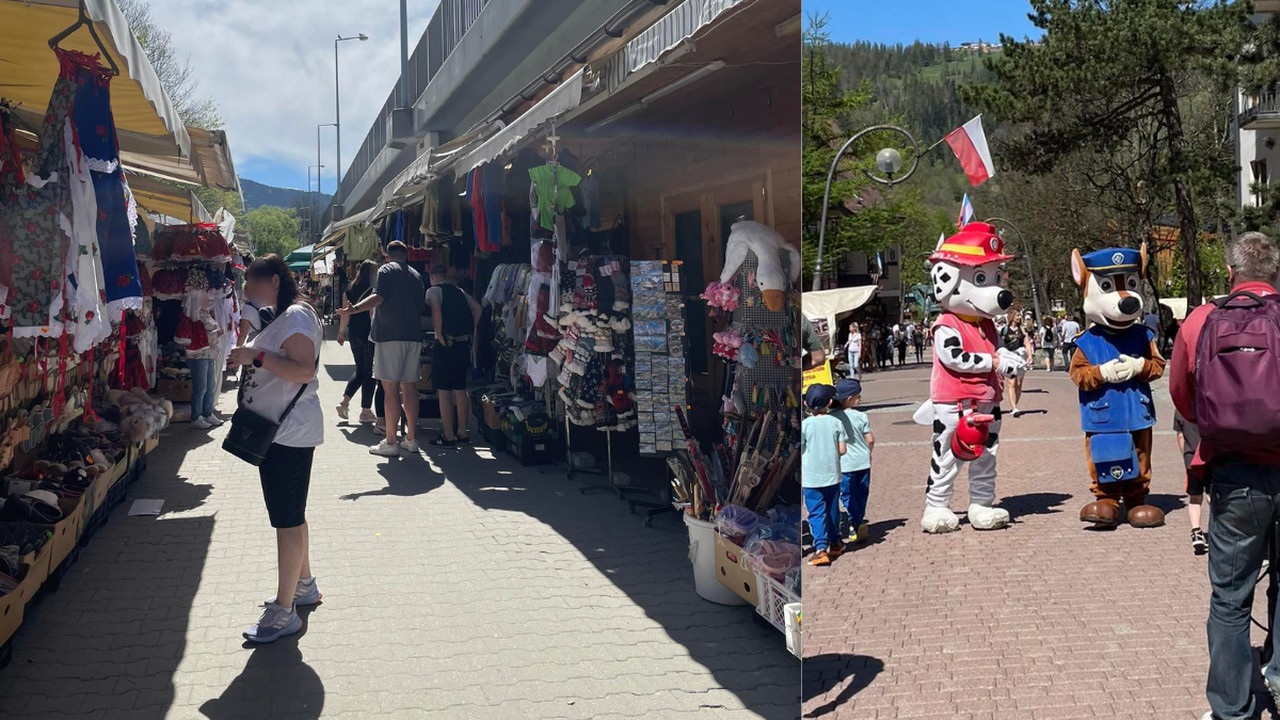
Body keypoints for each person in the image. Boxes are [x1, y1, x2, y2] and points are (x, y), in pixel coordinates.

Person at [1169, 231, 1280, 720]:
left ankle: (1232, 709)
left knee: (1231, 598)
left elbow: (1180, 395)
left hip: (1234, 473)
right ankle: (1276, 676)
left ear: (1231, 273)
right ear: (1275, 274)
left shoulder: (1201, 321)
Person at [226, 254, 324, 644]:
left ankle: (284, 612)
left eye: (252, 283)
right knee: (292, 514)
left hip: (288, 431)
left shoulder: (297, 318)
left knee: (286, 520)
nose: (248, 291)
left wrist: (256, 356)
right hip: (286, 430)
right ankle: (303, 587)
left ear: (275, 281)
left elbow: (304, 370)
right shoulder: (290, 315)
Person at [337, 241, 426, 456]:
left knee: (390, 389)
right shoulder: (416, 275)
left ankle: (391, 442)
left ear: (387, 256)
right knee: (410, 388)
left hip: (389, 337)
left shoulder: (385, 270)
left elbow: (378, 297)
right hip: (413, 336)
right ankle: (411, 439)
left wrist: (354, 308)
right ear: (406, 256)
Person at [425, 265, 482, 447]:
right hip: (462, 343)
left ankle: (448, 435)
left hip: (445, 344)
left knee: (443, 390)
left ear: (432, 277)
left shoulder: (433, 290)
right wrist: (470, 328)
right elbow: (478, 309)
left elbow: (436, 310)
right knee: (460, 388)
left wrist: (439, 333)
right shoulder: (459, 291)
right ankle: (462, 432)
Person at [802, 383, 846, 567]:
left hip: (811, 477)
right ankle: (836, 542)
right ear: (830, 402)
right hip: (832, 475)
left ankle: (820, 549)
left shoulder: (805, 425)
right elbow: (842, 450)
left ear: (805, 404)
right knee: (833, 509)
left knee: (816, 512)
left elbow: (801, 448)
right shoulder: (836, 423)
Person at [335, 260, 378, 425]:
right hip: (368, 334)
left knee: (360, 371)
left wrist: (340, 333)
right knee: (370, 374)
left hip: (354, 333)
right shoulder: (373, 289)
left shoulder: (350, 288)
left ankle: (344, 402)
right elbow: (372, 313)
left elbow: (345, 312)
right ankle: (365, 411)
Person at [832, 378, 874, 544]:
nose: (860, 399)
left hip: (844, 463)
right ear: (849, 399)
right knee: (861, 492)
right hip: (863, 461)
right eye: (858, 396)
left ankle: (855, 522)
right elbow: (870, 439)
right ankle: (858, 521)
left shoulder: (832, 418)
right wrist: (867, 452)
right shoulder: (861, 416)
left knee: (847, 494)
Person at [186, 298, 224, 429]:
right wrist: (216, 333)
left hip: (210, 354)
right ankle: (196, 417)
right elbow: (197, 335)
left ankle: (208, 413)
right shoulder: (194, 314)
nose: (207, 299)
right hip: (199, 355)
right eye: (204, 297)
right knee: (201, 387)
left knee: (210, 386)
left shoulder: (206, 313)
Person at [1173, 410, 1207, 555]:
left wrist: (1185, 454)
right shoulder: (1210, 402)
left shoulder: (1182, 408)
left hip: (1192, 458)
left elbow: (1180, 436)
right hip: (1211, 456)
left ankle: (1196, 531)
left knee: (1194, 497)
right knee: (1213, 495)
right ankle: (1218, 529)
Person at [1002, 312, 1033, 417]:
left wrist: (1030, 356)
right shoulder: (1005, 329)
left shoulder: (1022, 330)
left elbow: (1027, 343)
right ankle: (1014, 407)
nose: (1019, 317)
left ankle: (1014, 405)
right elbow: (1000, 342)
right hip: (1008, 357)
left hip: (1020, 358)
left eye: (1020, 316)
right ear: (1012, 317)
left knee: (1018, 385)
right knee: (1011, 383)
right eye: (1017, 315)